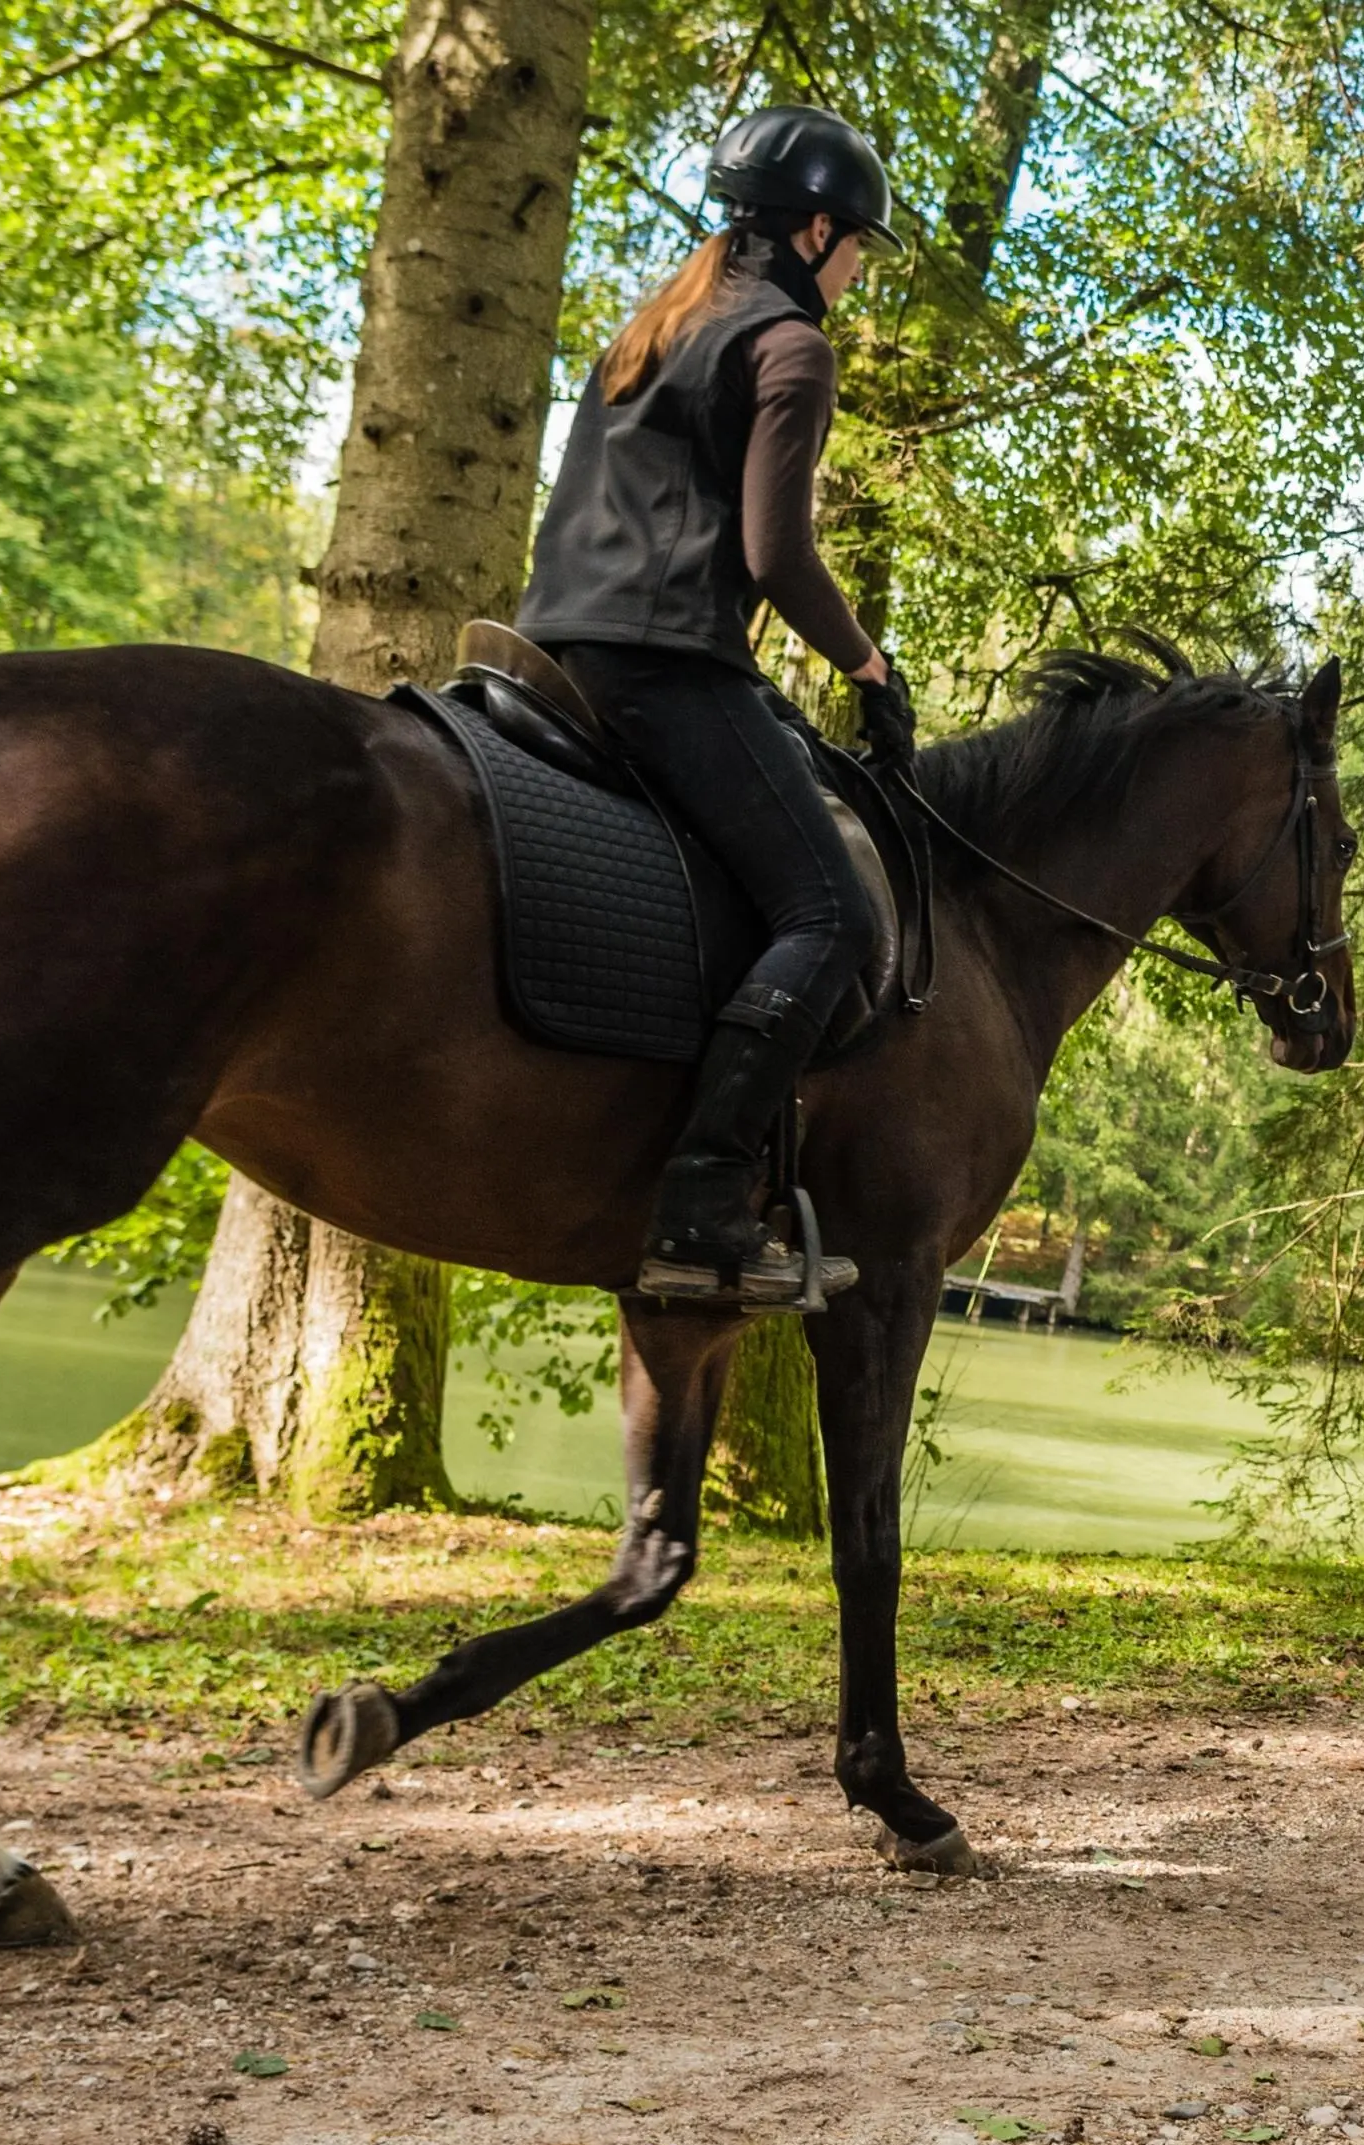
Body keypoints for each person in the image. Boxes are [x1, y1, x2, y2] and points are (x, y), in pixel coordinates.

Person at [514, 105, 915, 1306]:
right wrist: (868, 668)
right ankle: (699, 1201)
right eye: (859, 251)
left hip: (550, 646)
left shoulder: (651, 328)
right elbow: (776, 552)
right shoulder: (789, 344)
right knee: (833, 915)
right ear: (816, 231)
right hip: (665, 663)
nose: (856, 275)